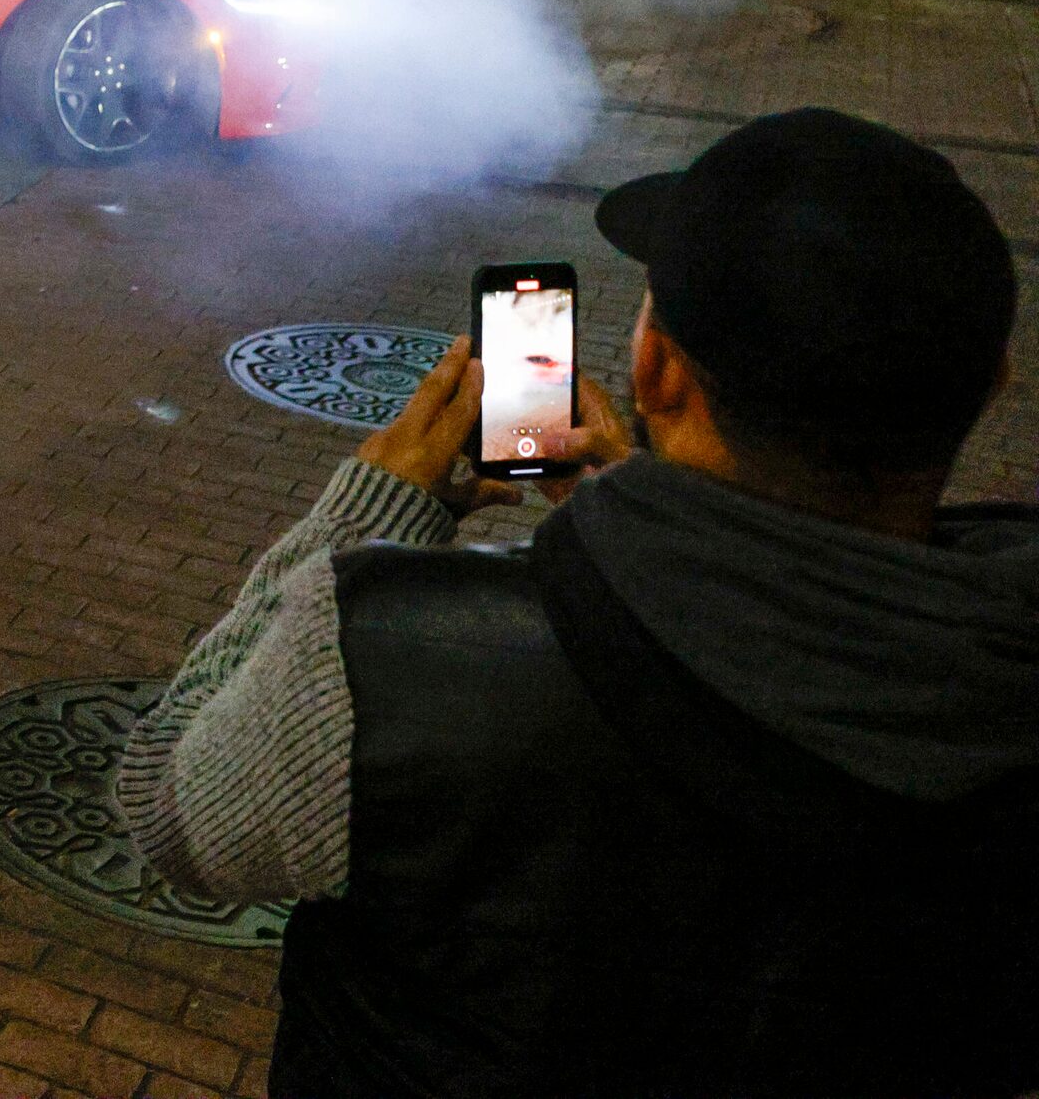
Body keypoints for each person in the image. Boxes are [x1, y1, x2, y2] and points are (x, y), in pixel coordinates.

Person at [117, 107, 1039, 1098]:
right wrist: (629, 518)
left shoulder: (391, 650)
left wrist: (362, 512)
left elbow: (167, 814)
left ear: (653, 369)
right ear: (990, 381)